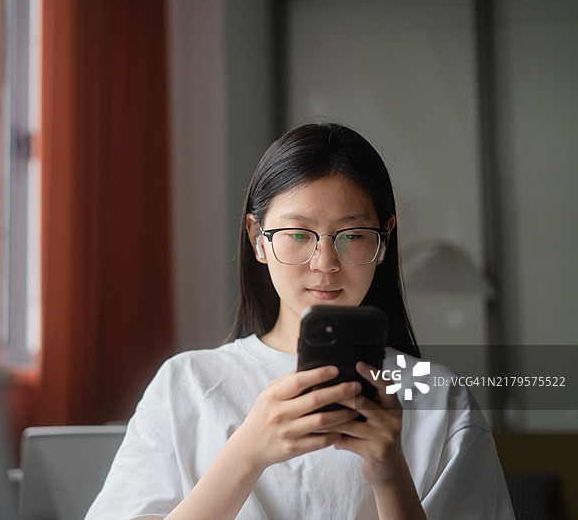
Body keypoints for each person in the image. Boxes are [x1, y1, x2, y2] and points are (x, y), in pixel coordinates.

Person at [85, 123, 514, 519]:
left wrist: (391, 476)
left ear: (383, 241)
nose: (325, 263)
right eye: (297, 235)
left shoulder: (441, 401)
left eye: (352, 236)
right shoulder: (187, 384)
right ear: (258, 239)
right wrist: (246, 454)